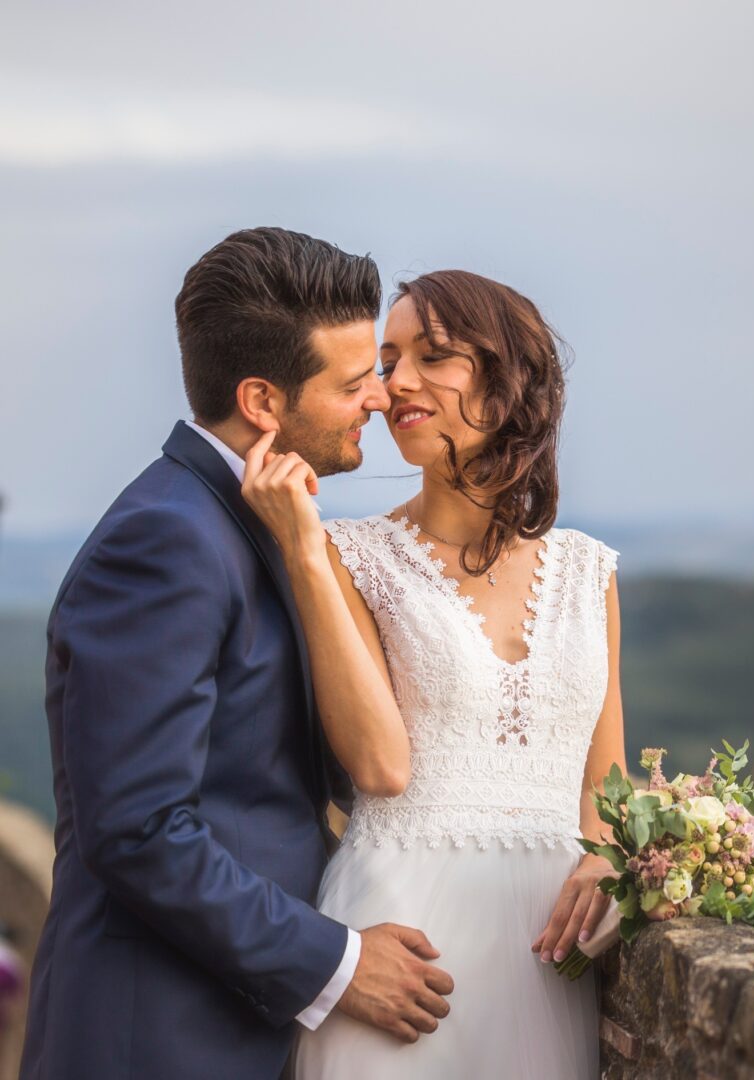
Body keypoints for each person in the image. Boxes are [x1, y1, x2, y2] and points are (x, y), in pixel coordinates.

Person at [21, 227, 456, 1080]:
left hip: (232, 1026)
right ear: (262, 401)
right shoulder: (165, 540)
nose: (378, 397)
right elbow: (140, 830)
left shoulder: (255, 519)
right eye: (353, 379)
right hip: (156, 1039)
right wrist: (336, 963)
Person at [254, 269, 624, 1078]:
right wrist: (305, 555)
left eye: (434, 355)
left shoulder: (588, 571)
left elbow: (607, 785)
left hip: (546, 960)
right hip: (406, 946)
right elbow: (378, 765)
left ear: (509, 375)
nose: (396, 384)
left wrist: (606, 855)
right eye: (387, 362)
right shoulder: (350, 557)